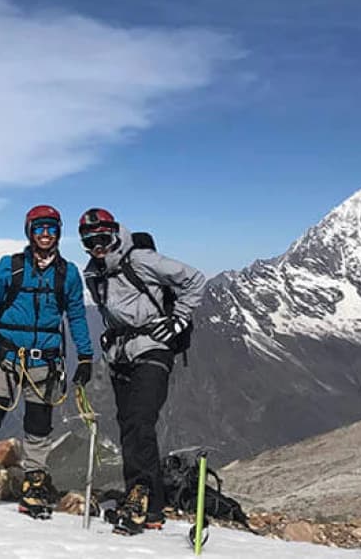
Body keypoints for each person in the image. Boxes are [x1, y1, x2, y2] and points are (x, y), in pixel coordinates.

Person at [0, 205, 93, 519]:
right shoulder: (10, 267)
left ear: (59, 233)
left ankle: (35, 481)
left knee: (39, 423)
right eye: (39, 228)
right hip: (4, 356)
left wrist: (86, 355)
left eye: (51, 228)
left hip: (45, 361)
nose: (46, 234)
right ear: (29, 232)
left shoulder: (68, 274)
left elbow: (77, 315)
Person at [77, 207, 206, 536]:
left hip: (154, 348)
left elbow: (194, 279)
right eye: (90, 241)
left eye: (103, 238)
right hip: (120, 355)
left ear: (115, 234)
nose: (97, 246)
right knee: (128, 425)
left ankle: (141, 495)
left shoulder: (140, 259)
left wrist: (178, 319)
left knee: (140, 420)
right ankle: (148, 503)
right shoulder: (93, 272)